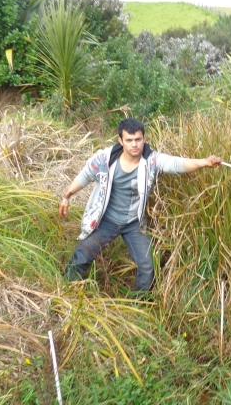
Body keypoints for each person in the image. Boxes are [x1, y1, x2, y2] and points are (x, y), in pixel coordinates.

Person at [59, 118, 222, 292]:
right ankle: (64, 289)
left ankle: (139, 300)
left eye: (138, 139)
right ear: (121, 140)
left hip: (133, 222)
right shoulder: (105, 159)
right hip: (106, 220)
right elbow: (85, 175)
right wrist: (67, 196)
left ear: (144, 138)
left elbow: (176, 164)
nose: (134, 144)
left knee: (147, 265)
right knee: (83, 254)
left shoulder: (152, 160)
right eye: (129, 140)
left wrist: (203, 162)